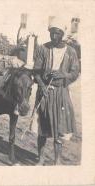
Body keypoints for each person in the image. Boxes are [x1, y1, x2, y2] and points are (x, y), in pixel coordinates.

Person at [33, 17, 80, 165]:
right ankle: (40, 158)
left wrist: (63, 75)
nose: (54, 36)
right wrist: (41, 85)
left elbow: (75, 73)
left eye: (58, 33)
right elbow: (36, 72)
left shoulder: (71, 52)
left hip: (61, 94)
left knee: (59, 128)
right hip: (44, 93)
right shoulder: (43, 49)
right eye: (52, 33)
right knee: (42, 127)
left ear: (62, 34)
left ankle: (57, 160)